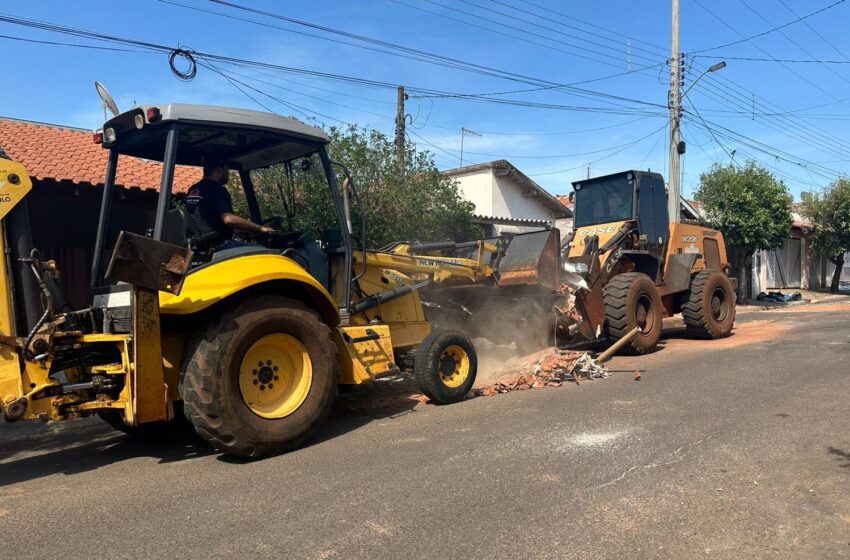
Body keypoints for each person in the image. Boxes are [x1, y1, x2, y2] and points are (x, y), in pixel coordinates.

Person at [185, 160, 274, 249]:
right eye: (227, 170)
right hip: (219, 246)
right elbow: (228, 219)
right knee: (264, 251)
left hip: (201, 246)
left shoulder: (193, 189)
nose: (228, 174)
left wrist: (233, 230)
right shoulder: (217, 190)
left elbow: (205, 220)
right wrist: (260, 228)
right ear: (219, 170)